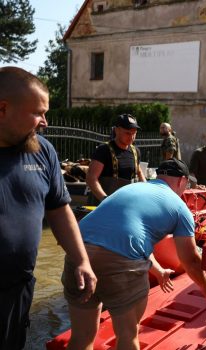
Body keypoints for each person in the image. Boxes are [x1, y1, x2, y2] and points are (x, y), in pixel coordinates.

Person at [62, 158, 206, 349]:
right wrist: (205, 285)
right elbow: (190, 260)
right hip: (119, 263)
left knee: (82, 336)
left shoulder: (130, 189)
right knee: (128, 335)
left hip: (77, 253)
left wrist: (158, 271)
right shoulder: (180, 208)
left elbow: (129, 235)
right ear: (182, 181)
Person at [0, 66, 97, 350]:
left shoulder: (43, 151)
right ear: (3, 108)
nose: (44, 122)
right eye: (38, 113)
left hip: (17, 291)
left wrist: (81, 259)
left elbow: (59, 210)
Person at [86, 114, 146, 204]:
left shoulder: (135, 151)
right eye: (128, 133)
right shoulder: (104, 150)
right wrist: (104, 199)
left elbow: (139, 172)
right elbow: (91, 178)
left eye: (134, 133)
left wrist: (146, 191)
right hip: (103, 207)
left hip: (126, 204)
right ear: (116, 130)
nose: (131, 137)